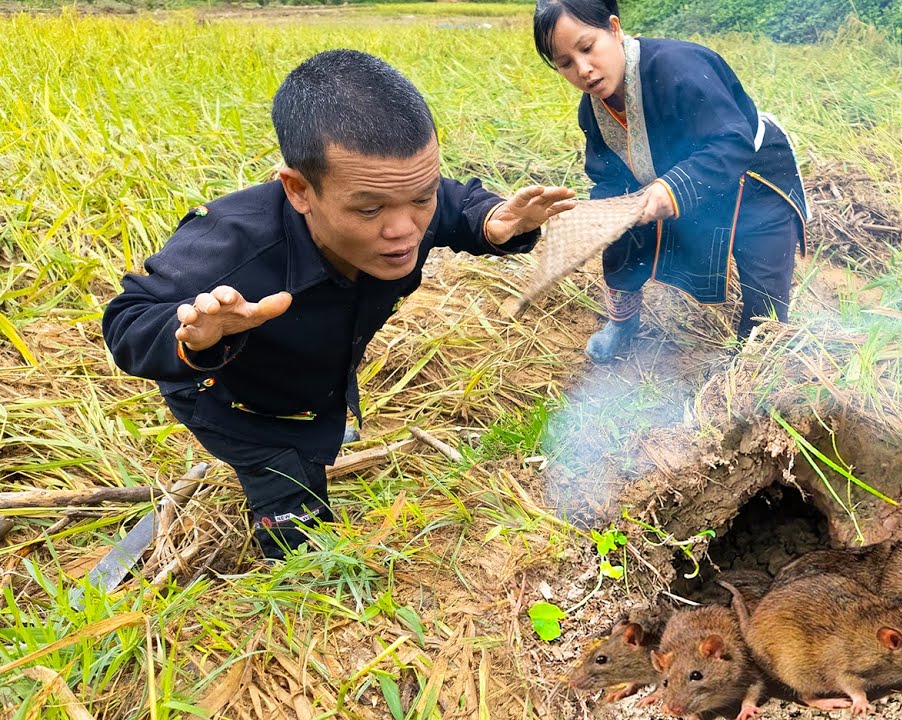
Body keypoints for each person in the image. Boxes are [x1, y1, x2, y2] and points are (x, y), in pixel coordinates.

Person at [102, 49, 575, 560]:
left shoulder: (402, 199)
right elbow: (127, 318)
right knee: (299, 521)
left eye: (421, 198)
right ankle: (289, 535)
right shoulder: (234, 244)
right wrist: (197, 334)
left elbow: (457, 204)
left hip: (317, 372)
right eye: (369, 209)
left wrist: (492, 222)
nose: (403, 232)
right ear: (300, 190)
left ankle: (316, 431)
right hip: (234, 401)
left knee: (314, 423)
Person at [533, 0, 809, 363]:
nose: (583, 70)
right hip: (670, 179)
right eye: (566, 63)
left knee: (764, 281)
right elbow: (608, 175)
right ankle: (623, 323)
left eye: (587, 47)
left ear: (614, 29)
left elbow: (732, 140)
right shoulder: (592, 109)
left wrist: (672, 188)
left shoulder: (678, 67)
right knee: (621, 233)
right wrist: (599, 215)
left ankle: (754, 361)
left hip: (751, 174)